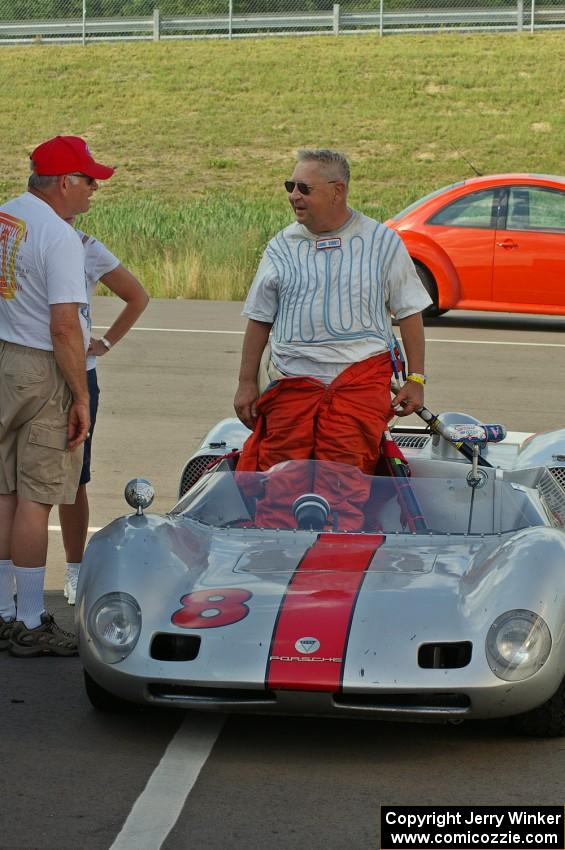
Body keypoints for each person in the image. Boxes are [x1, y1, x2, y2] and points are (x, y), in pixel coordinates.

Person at [233, 149, 432, 530]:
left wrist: (416, 379)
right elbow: (259, 319)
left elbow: (409, 311)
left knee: (342, 489)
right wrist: (245, 382)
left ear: (337, 191)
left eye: (304, 188)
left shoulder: (382, 242)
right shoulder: (281, 246)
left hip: (358, 385)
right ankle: (275, 567)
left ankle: (335, 568)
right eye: (290, 186)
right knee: (280, 486)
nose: (294, 195)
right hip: (292, 386)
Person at [0, 135, 114, 657]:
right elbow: (65, 328)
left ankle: (4, 610)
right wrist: (80, 396)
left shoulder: (7, 218)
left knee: (3, 492)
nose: (94, 189)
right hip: (41, 365)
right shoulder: (60, 236)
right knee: (35, 496)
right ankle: (28, 618)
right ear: (64, 182)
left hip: (4, 357)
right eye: (89, 180)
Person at [59, 220, 149, 604]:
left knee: (73, 478)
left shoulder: (86, 246)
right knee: (15, 483)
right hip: (27, 367)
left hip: (78, 372)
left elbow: (137, 296)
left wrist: (106, 342)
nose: (92, 194)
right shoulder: (19, 232)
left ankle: (74, 569)